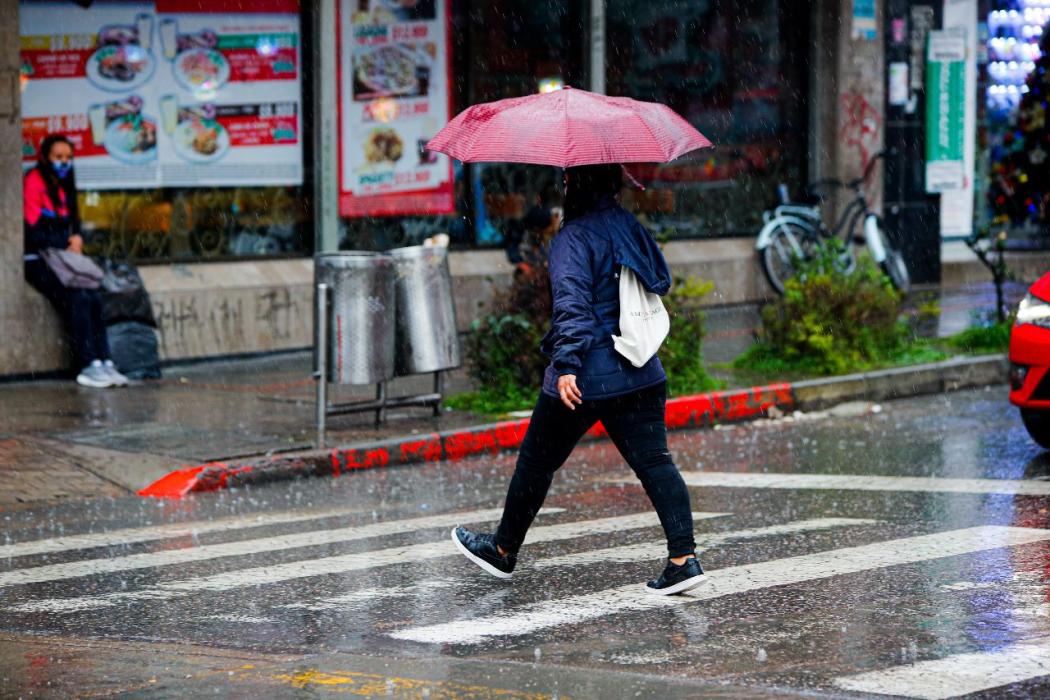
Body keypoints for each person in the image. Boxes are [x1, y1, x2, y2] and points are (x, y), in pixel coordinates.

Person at [452, 163, 705, 596]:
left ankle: (502, 548)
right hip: (640, 369)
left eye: (568, 179)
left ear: (574, 185)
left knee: (536, 461)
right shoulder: (629, 225)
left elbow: (573, 304)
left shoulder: (573, 237)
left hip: (587, 375)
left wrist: (567, 364)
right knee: (656, 463)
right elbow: (659, 279)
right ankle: (683, 558)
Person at [23, 134, 127, 388]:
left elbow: (74, 222)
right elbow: (31, 232)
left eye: (68, 157)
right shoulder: (33, 182)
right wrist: (65, 241)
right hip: (38, 260)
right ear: (46, 157)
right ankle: (87, 363)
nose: (63, 163)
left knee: (92, 295)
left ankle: (104, 360)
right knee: (77, 298)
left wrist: (76, 237)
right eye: (58, 157)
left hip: (64, 259)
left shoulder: (65, 185)